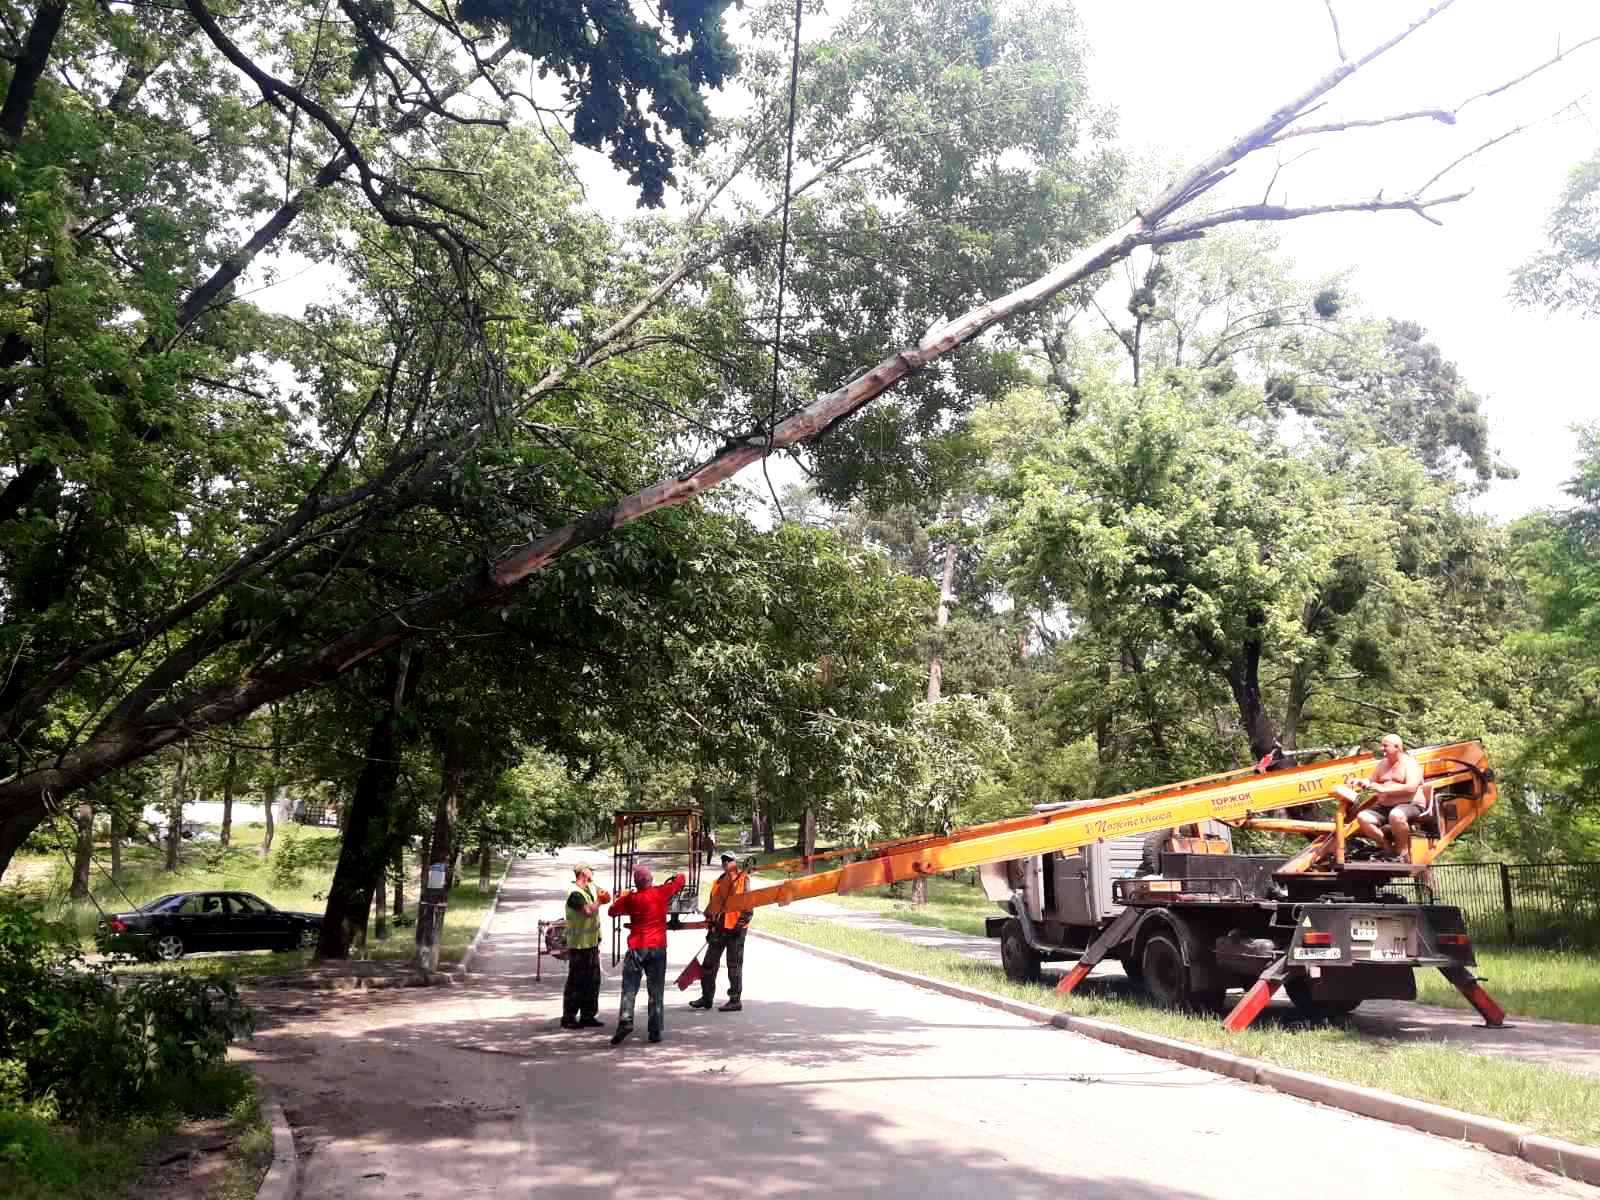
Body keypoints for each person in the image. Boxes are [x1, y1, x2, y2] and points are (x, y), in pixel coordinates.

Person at [606, 865, 686, 1045]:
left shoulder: (631, 899)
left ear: (636, 883)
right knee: (656, 990)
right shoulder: (661, 892)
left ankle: (626, 1020)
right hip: (657, 947)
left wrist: (624, 897)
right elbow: (681, 879)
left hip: (637, 948)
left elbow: (611, 912)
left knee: (629, 988)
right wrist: (676, 876)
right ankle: (655, 1030)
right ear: (650, 880)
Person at [1350, 733, 1426, 862]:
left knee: (1396, 814)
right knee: (1363, 817)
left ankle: (1402, 852)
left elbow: (1411, 787)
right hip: (1384, 806)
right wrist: (1361, 782)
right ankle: (1387, 849)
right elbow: (1372, 781)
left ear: (1397, 747)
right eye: (1382, 745)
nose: (1382, 748)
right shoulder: (1382, 764)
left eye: (1385, 745)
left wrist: (1384, 789)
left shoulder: (1410, 764)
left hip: (1410, 804)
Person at [691, 852, 751, 1012]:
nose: (726, 863)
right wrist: (711, 925)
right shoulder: (718, 882)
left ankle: (735, 1000)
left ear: (734, 862)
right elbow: (713, 904)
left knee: (734, 966)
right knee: (709, 964)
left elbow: (748, 906)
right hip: (719, 928)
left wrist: (740, 925)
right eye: (723, 860)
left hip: (736, 930)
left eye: (729, 860)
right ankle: (706, 997)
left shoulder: (743, 879)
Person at [561, 865, 608, 1030]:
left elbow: (605, 896)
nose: (592, 872)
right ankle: (569, 1017)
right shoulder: (574, 893)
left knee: (593, 981)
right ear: (582, 873)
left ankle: (588, 1015)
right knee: (576, 982)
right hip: (579, 945)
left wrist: (606, 897)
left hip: (592, 943)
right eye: (590, 870)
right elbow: (588, 911)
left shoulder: (590, 887)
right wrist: (600, 902)